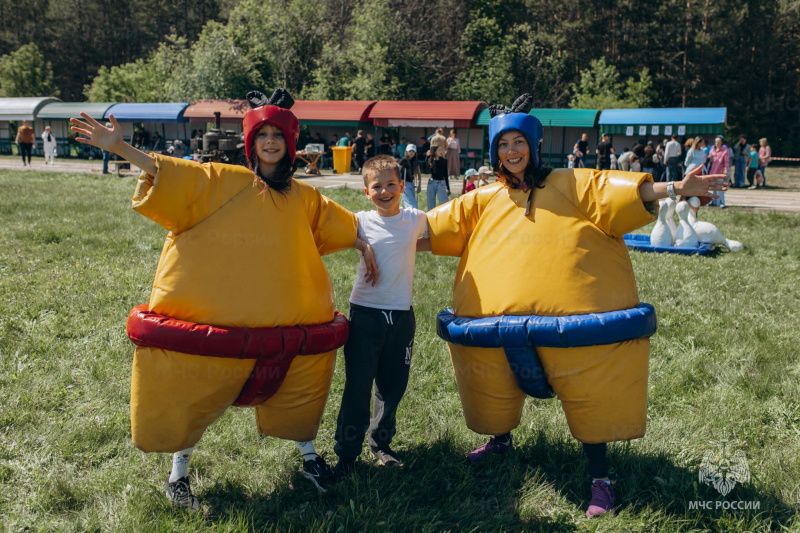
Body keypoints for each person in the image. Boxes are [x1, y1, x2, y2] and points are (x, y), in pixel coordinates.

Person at [70, 88, 378, 509]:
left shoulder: (302, 197)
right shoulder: (224, 183)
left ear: (290, 143)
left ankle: (308, 457)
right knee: (194, 392)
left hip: (289, 329)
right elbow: (173, 173)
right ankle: (178, 474)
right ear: (251, 143)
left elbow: (334, 221)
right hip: (217, 327)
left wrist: (363, 244)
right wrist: (119, 147)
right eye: (262, 134)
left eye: (278, 135)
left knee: (297, 394)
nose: (270, 141)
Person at [425, 94, 727, 519]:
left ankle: (601, 478)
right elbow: (431, 229)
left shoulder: (572, 184)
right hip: (491, 327)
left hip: (578, 327)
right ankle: (500, 440)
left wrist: (677, 187)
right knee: (494, 388)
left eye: (519, 143)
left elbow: (624, 192)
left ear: (533, 144)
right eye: (503, 146)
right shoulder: (484, 198)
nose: (512, 152)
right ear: (495, 153)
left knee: (590, 396)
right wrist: (374, 236)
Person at [333, 155, 429, 477]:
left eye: (391, 185)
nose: (385, 191)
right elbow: (331, 232)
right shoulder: (359, 220)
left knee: (392, 387)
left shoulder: (415, 218)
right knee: (358, 386)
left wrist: (413, 249)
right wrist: (363, 245)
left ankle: (381, 445)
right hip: (365, 316)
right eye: (377, 186)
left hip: (401, 316)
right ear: (366, 192)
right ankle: (347, 454)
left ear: (403, 187)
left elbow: (437, 238)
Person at [707, 137, 730, 208]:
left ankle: (721, 202)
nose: (717, 143)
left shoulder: (725, 150)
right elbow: (709, 159)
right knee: (713, 188)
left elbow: (726, 162)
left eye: (719, 141)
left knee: (720, 187)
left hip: (720, 171)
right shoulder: (712, 150)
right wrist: (710, 159)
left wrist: (726, 170)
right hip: (712, 171)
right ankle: (714, 202)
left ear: (722, 142)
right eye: (716, 141)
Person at [399, 144, 421, 208]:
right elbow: (397, 171)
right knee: (412, 204)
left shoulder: (415, 161)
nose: (411, 153)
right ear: (407, 151)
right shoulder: (403, 161)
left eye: (413, 151)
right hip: (404, 184)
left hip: (412, 183)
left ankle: (408, 216)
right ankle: (412, 216)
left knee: (410, 203)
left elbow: (419, 173)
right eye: (410, 151)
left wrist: (419, 185)